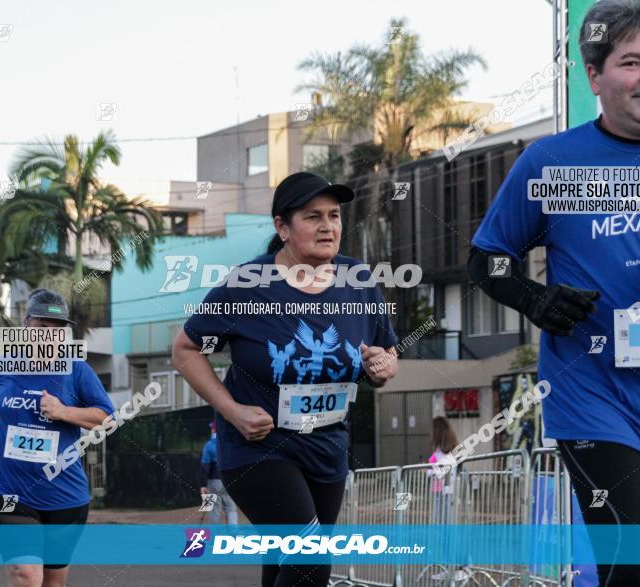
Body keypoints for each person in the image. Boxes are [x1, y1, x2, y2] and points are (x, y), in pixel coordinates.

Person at [467, 1, 640, 585]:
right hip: (592, 396)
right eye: (631, 62)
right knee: (633, 570)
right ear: (594, 76)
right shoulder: (551, 160)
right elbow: (486, 260)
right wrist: (533, 300)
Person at [173, 171, 399, 586]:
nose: (328, 226)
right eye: (313, 217)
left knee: (286, 561)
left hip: (328, 446)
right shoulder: (247, 285)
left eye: (334, 215)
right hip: (258, 447)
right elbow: (185, 350)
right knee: (310, 559)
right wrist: (232, 410)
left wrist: (383, 365)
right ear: (282, 227)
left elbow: (385, 350)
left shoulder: (358, 281)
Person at [0, 288, 115, 587]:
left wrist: (64, 412)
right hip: (7, 488)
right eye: (41, 327)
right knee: (27, 574)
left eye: (57, 330)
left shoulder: (77, 371)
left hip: (64, 494)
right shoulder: (3, 364)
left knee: (53, 582)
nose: (49, 336)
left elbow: (107, 419)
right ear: (26, 327)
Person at [199, 421, 238, 526]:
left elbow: (205, 466)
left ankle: (215, 536)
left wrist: (203, 484)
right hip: (229, 479)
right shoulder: (231, 443)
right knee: (230, 507)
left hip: (214, 481)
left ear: (212, 430)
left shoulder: (209, 445)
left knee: (214, 509)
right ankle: (233, 534)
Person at [426, 416, 458, 525]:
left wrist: (429, 472)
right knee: (443, 520)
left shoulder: (443, 452)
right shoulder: (444, 449)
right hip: (440, 489)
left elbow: (444, 469)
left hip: (442, 489)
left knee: (442, 520)